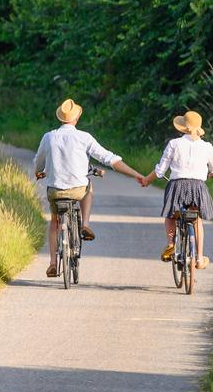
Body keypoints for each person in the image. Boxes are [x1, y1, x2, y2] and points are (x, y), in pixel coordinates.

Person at [33, 98, 148, 278]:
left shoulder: (49, 136)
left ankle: (53, 262)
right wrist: (136, 174)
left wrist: (39, 172)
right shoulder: (84, 137)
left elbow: (38, 161)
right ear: (77, 117)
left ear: (60, 118)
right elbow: (109, 159)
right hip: (78, 189)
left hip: (55, 191)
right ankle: (85, 224)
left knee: (55, 222)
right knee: (88, 187)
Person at [139, 110, 213, 269]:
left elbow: (161, 170)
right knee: (196, 220)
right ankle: (199, 258)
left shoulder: (174, 144)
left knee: (171, 216)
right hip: (197, 189)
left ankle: (170, 244)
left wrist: (147, 180)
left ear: (182, 128)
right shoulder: (207, 147)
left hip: (177, 187)